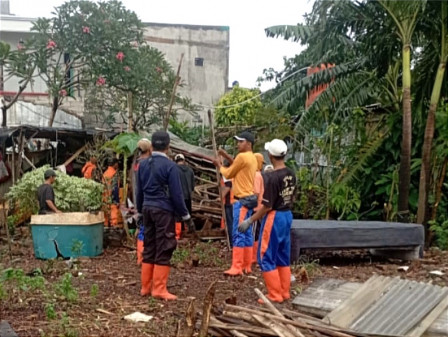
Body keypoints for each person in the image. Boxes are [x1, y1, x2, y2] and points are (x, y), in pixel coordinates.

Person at [238, 139, 296, 303]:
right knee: (282, 255)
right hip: (287, 214)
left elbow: (267, 206)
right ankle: (284, 292)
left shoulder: (271, 178)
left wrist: (250, 220)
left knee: (265, 255)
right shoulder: (291, 173)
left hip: (275, 217)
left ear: (270, 155)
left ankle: (274, 294)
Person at [137, 131, 190, 300]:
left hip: (147, 209)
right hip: (163, 211)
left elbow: (139, 191)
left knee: (149, 246)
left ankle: (146, 287)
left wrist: (140, 210)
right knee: (165, 246)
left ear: (152, 146)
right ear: (168, 147)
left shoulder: (143, 165)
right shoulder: (170, 167)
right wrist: (185, 215)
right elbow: (176, 194)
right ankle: (159, 288)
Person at [213, 131, 257, 276]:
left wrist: (219, 165)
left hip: (241, 200)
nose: (238, 144)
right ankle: (247, 264)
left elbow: (228, 173)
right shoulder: (252, 157)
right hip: (249, 198)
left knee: (238, 232)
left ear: (248, 143)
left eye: (241, 141)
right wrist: (225, 156)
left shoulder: (242, 157)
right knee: (247, 233)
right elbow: (236, 166)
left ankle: (237, 266)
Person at [134, 138, 152, 265]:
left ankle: (140, 257)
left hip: (141, 202)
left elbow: (136, 187)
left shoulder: (136, 164)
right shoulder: (149, 164)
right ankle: (148, 256)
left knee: (142, 229)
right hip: (151, 201)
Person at [174, 153, 195, 238]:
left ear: (176, 161)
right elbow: (193, 185)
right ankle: (188, 233)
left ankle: (177, 235)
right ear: (184, 160)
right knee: (187, 214)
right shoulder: (190, 170)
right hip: (188, 196)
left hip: (178, 197)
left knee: (177, 216)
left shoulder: (174, 170)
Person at [252, 153, 265, 267]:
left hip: (256, 208)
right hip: (258, 207)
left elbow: (255, 193)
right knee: (256, 232)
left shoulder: (256, 175)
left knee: (255, 233)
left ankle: (254, 257)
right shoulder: (257, 174)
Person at [220, 160, 234, 247]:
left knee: (230, 223)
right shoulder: (232, 172)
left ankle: (232, 243)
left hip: (229, 202)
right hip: (234, 201)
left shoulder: (226, 173)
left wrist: (220, 197)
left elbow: (228, 186)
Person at [103, 158, 120, 227]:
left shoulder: (105, 173)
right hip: (112, 198)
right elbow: (115, 188)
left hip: (105, 199)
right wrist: (116, 201)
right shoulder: (114, 174)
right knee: (114, 218)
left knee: (106, 220)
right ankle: (113, 231)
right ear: (115, 164)